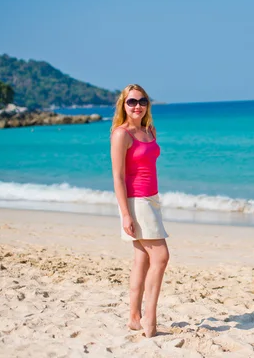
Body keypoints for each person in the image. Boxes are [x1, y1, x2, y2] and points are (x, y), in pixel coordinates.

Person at [110, 84, 169, 338]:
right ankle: (150, 320)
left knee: (142, 260)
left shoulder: (149, 130)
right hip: (137, 202)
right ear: (123, 105)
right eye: (132, 101)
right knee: (161, 257)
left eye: (142, 101)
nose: (137, 106)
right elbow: (118, 177)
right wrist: (125, 213)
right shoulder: (121, 134)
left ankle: (134, 318)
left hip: (152, 200)